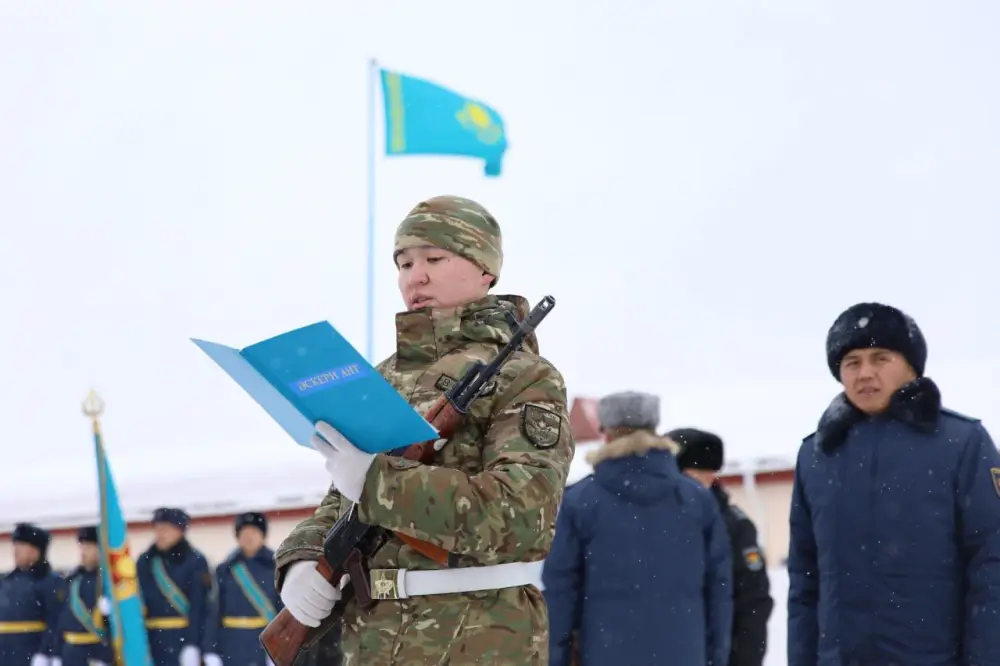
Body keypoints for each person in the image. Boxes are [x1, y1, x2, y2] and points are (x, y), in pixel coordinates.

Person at [273, 195, 574, 664]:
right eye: (404, 262)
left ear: (485, 270)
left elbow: (522, 516)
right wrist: (303, 560)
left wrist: (379, 482)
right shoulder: (382, 377)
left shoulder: (526, 376)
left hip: (479, 637)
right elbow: (340, 502)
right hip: (373, 638)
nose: (416, 276)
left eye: (435, 258)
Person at [787, 302, 1000, 666]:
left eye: (880, 358)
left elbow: (991, 567)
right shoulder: (817, 455)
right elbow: (805, 584)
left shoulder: (963, 443)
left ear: (911, 367)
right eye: (852, 362)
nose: (865, 373)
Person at [543, 391, 733, 666]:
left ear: (606, 435)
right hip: (685, 654)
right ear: (655, 431)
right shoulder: (697, 500)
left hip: (605, 654)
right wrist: (715, 656)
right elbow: (720, 589)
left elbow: (560, 592)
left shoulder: (580, 501)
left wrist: (556, 658)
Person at [670, 428, 774, 666]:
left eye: (707, 475)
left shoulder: (733, 526)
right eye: (695, 474)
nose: (702, 483)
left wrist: (743, 659)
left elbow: (753, 602)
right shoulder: (649, 522)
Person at [203, 512, 289, 666]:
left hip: (263, 642)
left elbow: (283, 611)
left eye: (254, 532)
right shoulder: (225, 569)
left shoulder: (277, 567)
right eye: (244, 532)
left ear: (263, 535)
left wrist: (280, 648)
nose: (249, 537)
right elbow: (215, 611)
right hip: (230, 644)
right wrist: (210, 650)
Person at [136, 508, 212, 666]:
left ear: (180, 531)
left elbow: (200, 607)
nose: (159, 534)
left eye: (165, 529)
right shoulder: (145, 561)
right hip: (151, 641)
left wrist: (194, 644)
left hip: (181, 639)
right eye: (156, 529)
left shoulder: (195, 560)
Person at [0, 523, 65, 666]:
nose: (15, 551)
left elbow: (55, 622)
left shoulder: (49, 582)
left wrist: (45, 653)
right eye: (15, 546)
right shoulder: (7, 581)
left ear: (35, 551)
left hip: (31, 655)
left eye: (21, 547)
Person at [51, 527, 113, 666]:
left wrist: (107, 657)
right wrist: (57, 653)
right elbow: (61, 620)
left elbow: (118, 628)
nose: (83, 553)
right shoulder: (73, 579)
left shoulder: (109, 580)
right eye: (82, 548)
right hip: (70, 654)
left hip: (96, 653)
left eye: (88, 548)